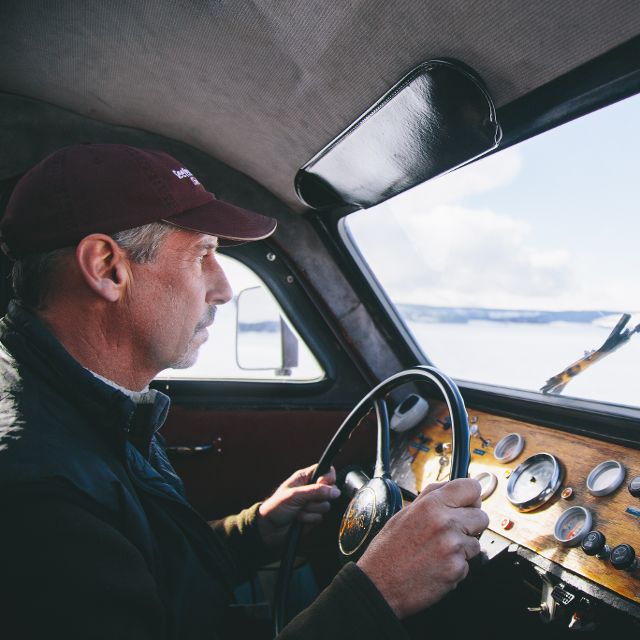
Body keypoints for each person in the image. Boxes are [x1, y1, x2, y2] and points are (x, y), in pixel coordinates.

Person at [0, 144, 489, 639]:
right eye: (203, 254)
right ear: (107, 268)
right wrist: (379, 592)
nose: (224, 289)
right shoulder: (37, 493)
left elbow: (151, 568)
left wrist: (256, 530)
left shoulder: (91, 405)